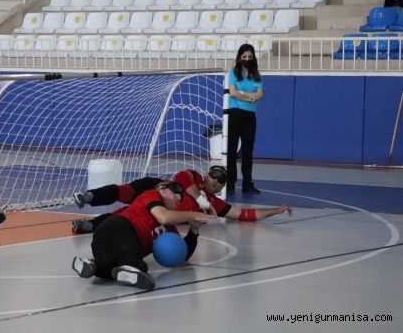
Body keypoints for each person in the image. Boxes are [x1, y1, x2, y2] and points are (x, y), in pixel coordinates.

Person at [72, 181, 215, 290]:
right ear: (162, 189)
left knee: (111, 266)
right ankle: (130, 268)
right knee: (133, 261)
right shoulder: (151, 195)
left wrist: (194, 229)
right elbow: (163, 217)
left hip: (104, 244)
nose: (178, 199)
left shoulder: (170, 230)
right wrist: (193, 215)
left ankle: (92, 265)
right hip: (117, 227)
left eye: (180, 198)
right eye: (175, 193)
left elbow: (182, 254)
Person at [71, 165, 292, 234]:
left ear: (223, 186)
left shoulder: (217, 203)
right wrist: (203, 203)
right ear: (206, 174)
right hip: (155, 187)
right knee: (126, 191)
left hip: (164, 207)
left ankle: (89, 225)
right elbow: (186, 186)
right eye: (213, 176)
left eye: (220, 181)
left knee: (124, 216)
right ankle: (90, 196)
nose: (215, 181)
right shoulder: (192, 176)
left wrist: (276, 210)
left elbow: (244, 214)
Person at [227, 44, 264, 195]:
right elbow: (233, 93)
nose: (247, 59)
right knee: (232, 150)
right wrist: (250, 97)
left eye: (249, 57)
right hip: (235, 113)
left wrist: (245, 94)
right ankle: (230, 183)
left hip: (250, 116)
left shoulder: (256, 74)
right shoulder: (234, 72)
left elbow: (260, 94)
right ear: (239, 57)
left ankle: (247, 183)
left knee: (248, 151)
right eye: (244, 57)